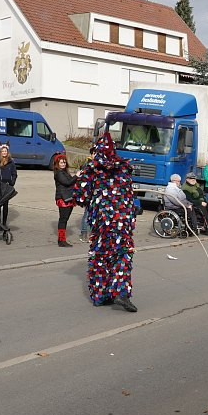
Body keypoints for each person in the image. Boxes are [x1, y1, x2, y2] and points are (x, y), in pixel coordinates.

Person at [76, 132, 137, 312]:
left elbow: (80, 197)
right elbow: (130, 195)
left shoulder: (91, 169)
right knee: (122, 253)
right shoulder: (123, 168)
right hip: (122, 220)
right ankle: (120, 292)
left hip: (102, 221)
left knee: (100, 255)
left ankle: (100, 295)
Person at [53, 152, 76, 247]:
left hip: (68, 198)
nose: (63, 164)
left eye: (64, 162)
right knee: (63, 220)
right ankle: (61, 240)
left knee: (65, 219)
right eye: (61, 163)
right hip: (63, 199)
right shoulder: (58, 173)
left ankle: (62, 239)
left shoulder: (65, 172)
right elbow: (68, 182)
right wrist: (77, 175)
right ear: (57, 164)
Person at [0, 143, 17, 227]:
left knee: (5, 205)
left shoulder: (11, 162)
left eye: (5, 151)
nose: (4, 153)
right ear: (0, 152)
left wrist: (12, 183)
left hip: (7, 185)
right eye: (3, 151)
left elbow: (14, 174)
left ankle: (4, 223)